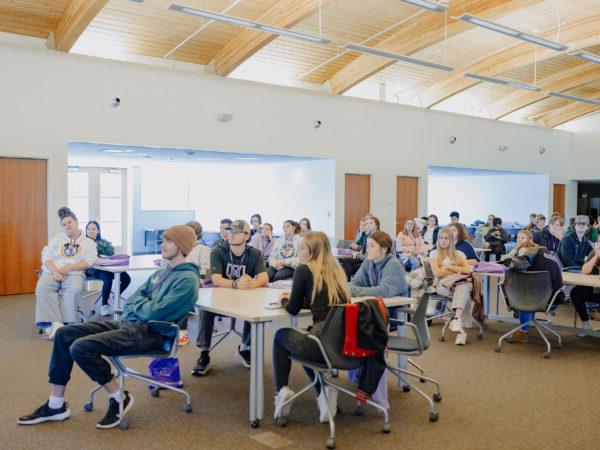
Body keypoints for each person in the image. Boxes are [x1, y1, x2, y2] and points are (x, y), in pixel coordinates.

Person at [19, 225, 199, 429]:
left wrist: (141, 306)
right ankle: (56, 404)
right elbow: (132, 300)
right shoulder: (162, 272)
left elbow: (154, 312)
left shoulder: (187, 279)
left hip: (153, 334)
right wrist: (142, 305)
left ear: (182, 245)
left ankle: (119, 397)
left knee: (81, 347)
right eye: (163, 239)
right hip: (130, 324)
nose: (163, 244)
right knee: (64, 334)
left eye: (169, 241)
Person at [272, 231, 350, 423]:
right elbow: (325, 300)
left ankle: (282, 391)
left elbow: (293, 309)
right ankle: (322, 392)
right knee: (304, 340)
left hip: (321, 343)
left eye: (302, 248)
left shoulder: (304, 270)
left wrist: (284, 301)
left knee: (281, 336)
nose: (298, 251)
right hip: (344, 342)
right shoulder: (337, 270)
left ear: (312, 251)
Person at [192, 220, 268, 376]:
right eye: (230, 231)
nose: (231, 234)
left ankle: (245, 348)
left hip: (244, 298)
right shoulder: (218, 251)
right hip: (222, 296)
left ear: (247, 236)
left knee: (256, 307)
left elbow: (264, 277)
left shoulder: (254, 253)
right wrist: (236, 284)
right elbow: (216, 279)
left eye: (236, 232)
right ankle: (204, 354)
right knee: (207, 308)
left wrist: (251, 285)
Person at [35, 207, 97, 339]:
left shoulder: (88, 243)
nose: (67, 225)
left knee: (73, 289)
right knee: (42, 288)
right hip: (52, 271)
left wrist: (70, 267)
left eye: (69, 222)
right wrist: (54, 270)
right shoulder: (56, 239)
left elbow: (89, 261)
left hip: (74, 273)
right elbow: (46, 256)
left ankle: (64, 324)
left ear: (76, 222)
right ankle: (57, 324)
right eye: (64, 224)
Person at [502, 231, 564, 342]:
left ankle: (522, 332)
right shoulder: (546, 251)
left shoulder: (529, 251)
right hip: (554, 296)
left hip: (536, 298)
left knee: (520, 288)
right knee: (528, 285)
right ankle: (525, 323)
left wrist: (519, 256)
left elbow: (517, 265)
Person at [429, 228, 473, 346]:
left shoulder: (459, 254)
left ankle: (457, 320)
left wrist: (449, 268)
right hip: (442, 284)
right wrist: (457, 271)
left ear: (452, 240)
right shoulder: (434, 253)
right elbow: (437, 274)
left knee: (463, 288)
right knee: (465, 292)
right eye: (441, 238)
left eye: (446, 238)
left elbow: (468, 270)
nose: (443, 241)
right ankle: (461, 331)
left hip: (459, 283)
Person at [85, 221, 131, 317]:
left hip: (107, 266)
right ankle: (104, 305)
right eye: (88, 229)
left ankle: (114, 297)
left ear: (98, 231)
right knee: (108, 280)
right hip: (93, 269)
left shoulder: (104, 242)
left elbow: (111, 254)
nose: (91, 231)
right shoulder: (83, 243)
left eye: (93, 229)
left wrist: (104, 257)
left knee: (126, 278)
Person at [350, 231, 408, 299]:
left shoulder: (393, 264)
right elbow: (355, 283)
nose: (367, 250)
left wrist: (353, 291)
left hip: (395, 307)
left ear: (384, 249)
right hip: (377, 305)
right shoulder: (368, 262)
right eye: (367, 246)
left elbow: (384, 291)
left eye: (372, 246)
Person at [570, 241, 600, 335]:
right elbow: (585, 271)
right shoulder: (595, 252)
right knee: (576, 293)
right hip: (596, 288)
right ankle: (586, 324)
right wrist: (596, 255)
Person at [340, 216, 381, 280]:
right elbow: (364, 250)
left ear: (377, 225)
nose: (368, 225)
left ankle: (347, 284)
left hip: (371, 261)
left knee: (348, 266)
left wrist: (358, 255)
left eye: (371, 223)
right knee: (347, 263)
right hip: (365, 258)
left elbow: (369, 256)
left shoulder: (377, 236)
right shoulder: (369, 235)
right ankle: (347, 284)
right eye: (367, 223)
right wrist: (358, 254)